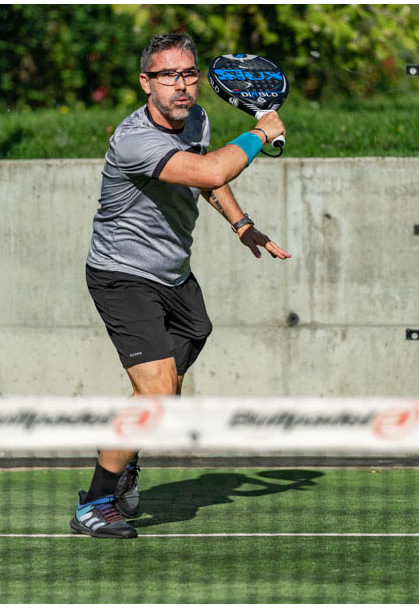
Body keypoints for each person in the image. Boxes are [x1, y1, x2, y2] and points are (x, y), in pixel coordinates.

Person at [71, 33, 290, 539]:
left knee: (166, 385)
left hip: (174, 274)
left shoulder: (195, 120)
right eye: (168, 75)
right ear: (146, 82)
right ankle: (95, 503)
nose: (181, 84)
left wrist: (241, 224)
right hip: (122, 274)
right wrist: (260, 132)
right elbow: (210, 168)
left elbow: (206, 178)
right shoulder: (134, 140)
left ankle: (123, 454)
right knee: (154, 391)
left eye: (189, 73)